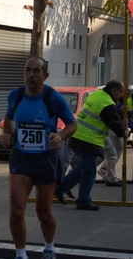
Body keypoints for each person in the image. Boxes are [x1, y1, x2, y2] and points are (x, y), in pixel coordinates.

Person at [0, 57, 77, 259]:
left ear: (45, 75)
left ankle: (50, 247)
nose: (31, 75)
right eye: (27, 71)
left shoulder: (53, 98)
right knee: (16, 210)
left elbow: (72, 124)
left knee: (43, 211)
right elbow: (8, 118)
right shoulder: (15, 96)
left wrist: (60, 136)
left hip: (46, 159)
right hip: (21, 158)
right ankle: (21, 254)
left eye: (36, 71)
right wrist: (7, 134)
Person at [55, 79, 130, 211]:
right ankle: (83, 200)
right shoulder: (106, 103)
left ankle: (59, 189)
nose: (121, 95)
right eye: (120, 92)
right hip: (86, 140)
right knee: (89, 172)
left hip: (78, 136)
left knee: (83, 169)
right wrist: (126, 132)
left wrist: (120, 115)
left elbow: (107, 115)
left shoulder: (97, 95)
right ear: (113, 91)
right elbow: (118, 130)